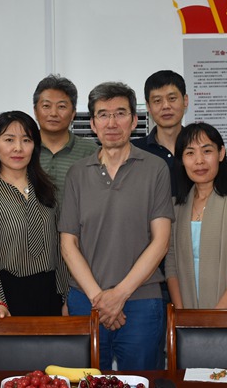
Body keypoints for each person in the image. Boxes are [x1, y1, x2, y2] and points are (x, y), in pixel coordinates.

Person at [60, 82, 174, 371]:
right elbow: (68, 244)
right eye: (103, 114)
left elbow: (160, 241)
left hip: (141, 299)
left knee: (141, 380)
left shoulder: (155, 168)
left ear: (134, 120)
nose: (112, 123)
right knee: (85, 379)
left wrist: (119, 294)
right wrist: (100, 300)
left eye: (120, 113)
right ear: (93, 123)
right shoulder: (77, 174)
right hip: (86, 299)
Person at [0, 111, 65, 318]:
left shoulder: (49, 189)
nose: (18, 148)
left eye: (26, 140)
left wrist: (66, 297)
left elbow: (61, 248)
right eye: (9, 140)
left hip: (49, 292)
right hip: (5, 294)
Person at [165, 123, 227, 309]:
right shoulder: (176, 207)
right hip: (188, 317)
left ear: (221, 153)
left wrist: (215, 317)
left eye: (207, 151)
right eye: (190, 153)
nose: (199, 161)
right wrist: (181, 314)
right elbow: (171, 265)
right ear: (182, 160)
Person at [32, 74, 97, 200]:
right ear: (35, 111)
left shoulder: (91, 151)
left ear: (73, 113)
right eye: (46, 106)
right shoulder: (24, 149)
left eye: (61, 106)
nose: (53, 113)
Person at [132, 70, 188, 197]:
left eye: (172, 98)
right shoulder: (134, 151)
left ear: (185, 100)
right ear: (148, 106)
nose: (166, 106)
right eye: (157, 101)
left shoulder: (199, 147)